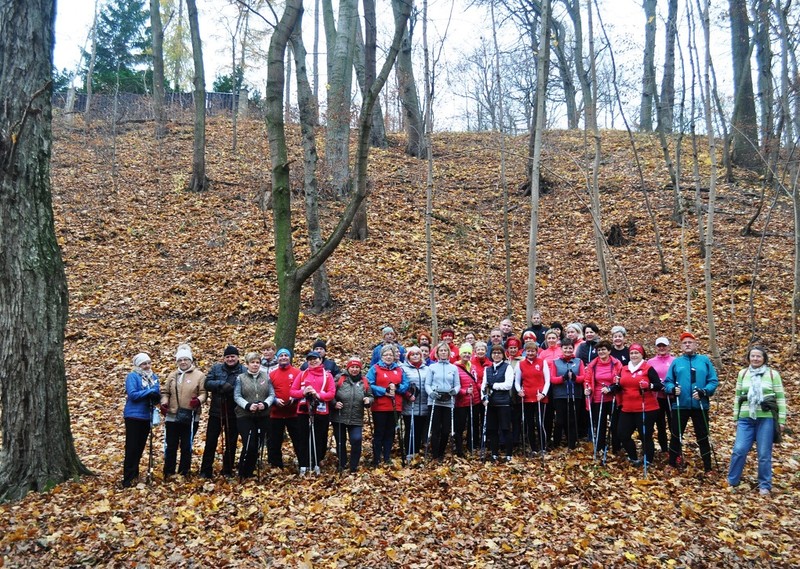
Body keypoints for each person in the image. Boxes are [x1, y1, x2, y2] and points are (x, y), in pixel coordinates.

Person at [727, 346, 786, 494]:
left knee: (764, 453)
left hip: (765, 418)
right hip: (745, 418)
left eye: (758, 356)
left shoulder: (773, 374)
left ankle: (765, 485)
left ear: (764, 358)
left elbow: (780, 398)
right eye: (752, 356)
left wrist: (782, 420)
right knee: (739, 449)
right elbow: (737, 396)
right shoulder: (743, 373)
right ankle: (732, 480)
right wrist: (736, 416)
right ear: (749, 358)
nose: (755, 359)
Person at [663, 332, 718, 473]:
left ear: (695, 344)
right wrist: (672, 389)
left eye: (690, 342)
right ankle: (672, 463)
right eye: (684, 343)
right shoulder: (677, 362)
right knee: (676, 435)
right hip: (680, 405)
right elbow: (668, 382)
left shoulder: (704, 361)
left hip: (700, 404)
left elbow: (713, 381)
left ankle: (708, 466)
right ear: (681, 346)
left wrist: (704, 391)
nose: (687, 345)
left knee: (703, 436)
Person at [160, 344, 206, 478]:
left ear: (191, 360)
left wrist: (198, 400)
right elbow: (165, 392)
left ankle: (184, 471)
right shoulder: (172, 375)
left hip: (190, 415)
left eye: (186, 359)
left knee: (186, 445)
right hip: (172, 415)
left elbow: (204, 392)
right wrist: (164, 402)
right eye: (180, 360)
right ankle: (168, 471)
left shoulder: (199, 375)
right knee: (171, 444)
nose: (183, 362)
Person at [200, 345, 243, 479]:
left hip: (234, 412)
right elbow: (207, 383)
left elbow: (244, 385)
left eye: (233, 357)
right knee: (211, 441)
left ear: (237, 357)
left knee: (231, 442)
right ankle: (205, 470)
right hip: (216, 411)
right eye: (228, 357)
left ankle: (228, 469)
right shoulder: (216, 368)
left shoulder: (243, 370)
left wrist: (231, 388)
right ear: (224, 358)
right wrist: (220, 385)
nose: (230, 359)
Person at [291, 351, 336, 474]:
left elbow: (331, 393)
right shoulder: (302, 374)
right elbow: (293, 391)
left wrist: (318, 395)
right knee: (303, 438)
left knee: (319, 437)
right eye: (310, 359)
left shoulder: (327, 376)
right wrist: (303, 392)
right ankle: (303, 464)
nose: (313, 361)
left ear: (321, 360)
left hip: (321, 411)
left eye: (315, 359)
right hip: (304, 411)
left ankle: (316, 462)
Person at [617, 344, 662, 467]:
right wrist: (613, 386)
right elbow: (619, 385)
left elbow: (658, 385)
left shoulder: (648, 368)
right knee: (622, 434)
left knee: (645, 435)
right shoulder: (624, 368)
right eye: (631, 353)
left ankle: (648, 460)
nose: (634, 355)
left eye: (637, 353)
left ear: (642, 354)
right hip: (627, 407)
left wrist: (649, 386)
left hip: (646, 407)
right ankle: (633, 457)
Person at [233, 352, 276, 479]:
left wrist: (265, 404)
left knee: (257, 444)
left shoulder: (266, 377)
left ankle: (250, 471)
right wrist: (247, 405)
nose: (255, 365)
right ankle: (242, 471)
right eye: (252, 362)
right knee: (249, 444)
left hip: (262, 415)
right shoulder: (240, 378)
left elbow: (271, 394)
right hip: (245, 415)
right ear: (247, 364)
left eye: (257, 362)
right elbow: (237, 396)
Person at [366, 345, 409, 466]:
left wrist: (397, 388)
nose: (389, 357)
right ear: (381, 356)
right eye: (386, 355)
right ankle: (376, 458)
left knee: (390, 432)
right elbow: (369, 384)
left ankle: (386, 456)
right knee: (379, 432)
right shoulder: (375, 368)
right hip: (380, 406)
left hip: (395, 406)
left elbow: (406, 384)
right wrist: (384, 391)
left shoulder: (399, 369)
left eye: (391, 355)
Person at [122, 352, 160, 487]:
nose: (147, 366)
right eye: (144, 364)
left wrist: (156, 397)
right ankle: (128, 478)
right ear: (138, 365)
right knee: (132, 447)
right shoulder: (133, 376)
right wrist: (149, 392)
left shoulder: (153, 377)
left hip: (146, 416)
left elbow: (157, 392)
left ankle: (135, 475)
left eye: (149, 363)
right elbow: (133, 395)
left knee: (140, 447)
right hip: (133, 415)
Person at [331, 357, 374, 473]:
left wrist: (368, 400)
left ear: (360, 369)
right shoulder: (340, 379)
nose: (354, 369)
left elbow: (370, 396)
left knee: (356, 439)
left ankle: (353, 465)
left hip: (356, 417)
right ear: (348, 368)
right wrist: (334, 403)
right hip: (339, 416)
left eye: (357, 367)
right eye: (352, 367)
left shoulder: (364, 382)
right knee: (340, 440)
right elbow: (330, 393)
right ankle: (342, 463)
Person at [583, 340, 622, 461]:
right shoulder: (593, 364)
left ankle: (616, 448)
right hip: (598, 398)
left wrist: (611, 388)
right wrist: (587, 389)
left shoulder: (616, 363)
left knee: (615, 424)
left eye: (604, 349)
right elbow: (587, 380)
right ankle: (599, 447)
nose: (601, 352)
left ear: (609, 351)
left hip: (613, 397)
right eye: (599, 350)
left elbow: (620, 379)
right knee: (600, 424)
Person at [267, 349, 302, 468]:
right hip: (276, 413)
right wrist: (275, 400)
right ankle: (275, 465)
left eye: (286, 355)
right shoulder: (272, 374)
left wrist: (295, 398)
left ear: (290, 357)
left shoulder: (298, 373)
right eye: (281, 355)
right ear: (277, 358)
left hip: (294, 413)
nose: (283, 357)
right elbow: (268, 392)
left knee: (298, 440)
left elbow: (301, 389)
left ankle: (303, 463)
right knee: (274, 441)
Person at [515, 341, 552, 455]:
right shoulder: (520, 364)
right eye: (528, 351)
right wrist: (519, 391)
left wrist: (543, 394)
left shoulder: (542, 362)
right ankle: (533, 448)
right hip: (526, 398)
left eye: (533, 351)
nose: (530, 353)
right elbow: (517, 382)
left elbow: (547, 381)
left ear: (536, 351)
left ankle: (542, 446)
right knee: (529, 423)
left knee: (540, 422)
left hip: (540, 397)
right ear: (525, 351)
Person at [425, 342, 459, 461]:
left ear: (448, 353)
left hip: (448, 401)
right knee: (435, 429)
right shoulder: (432, 367)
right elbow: (427, 384)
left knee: (445, 430)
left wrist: (455, 391)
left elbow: (457, 385)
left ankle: (441, 453)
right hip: (435, 401)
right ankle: (435, 454)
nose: (443, 352)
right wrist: (431, 393)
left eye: (445, 351)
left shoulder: (454, 368)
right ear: (437, 353)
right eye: (441, 351)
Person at [481, 344, 515, 461]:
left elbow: (508, 385)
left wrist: (494, 386)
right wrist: (483, 398)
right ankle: (494, 453)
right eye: (494, 353)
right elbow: (484, 385)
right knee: (492, 429)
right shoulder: (488, 369)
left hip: (503, 403)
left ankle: (508, 454)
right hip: (491, 403)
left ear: (503, 355)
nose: (496, 355)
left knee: (505, 429)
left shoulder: (507, 367)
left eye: (499, 353)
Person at [550, 339, 584, 450]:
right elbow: (552, 379)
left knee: (572, 419)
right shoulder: (556, 362)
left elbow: (583, 377)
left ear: (573, 349)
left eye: (570, 348)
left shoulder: (578, 361)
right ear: (562, 349)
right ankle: (556, 443)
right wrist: (563, 378)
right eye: (565, 348)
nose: (568, 350)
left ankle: (571, 444)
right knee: (560, 420)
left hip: (575, 394)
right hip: (560, 395)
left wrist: (575, 378)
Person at [401, 346, 431, 458]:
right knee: (410, 429)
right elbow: (402, 385)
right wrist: (408, 395)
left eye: (417, 354)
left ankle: (416, 453)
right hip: (410, 405)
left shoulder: (427, 369)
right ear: (408, 356)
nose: (415, 356)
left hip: (423, 404)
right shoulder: (403, 369)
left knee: (419, 430)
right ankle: (408, 452)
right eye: (412, 354)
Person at [647, 337, 674, 454]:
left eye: (664, 346)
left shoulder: (674, 360)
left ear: (668, 347)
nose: (662, 348)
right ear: (656, 348)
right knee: (660, 423)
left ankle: (674, 448)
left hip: (671, 396)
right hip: (656, 397)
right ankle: (664, 448)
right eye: (659, 346)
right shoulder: (650, 362)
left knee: (673, 423)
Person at [454, 343, 480, 457]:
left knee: (473, 424)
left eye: (469, 353)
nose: (467, 355)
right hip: (461, 402)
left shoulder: (473, 367)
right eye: (464, 352)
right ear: (460, 354)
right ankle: (459, 448)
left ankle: (471, 445)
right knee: (460, 426)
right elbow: (454, 385)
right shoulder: (455, 367)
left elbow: (476, 381)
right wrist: (464, 391)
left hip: (474, 400)